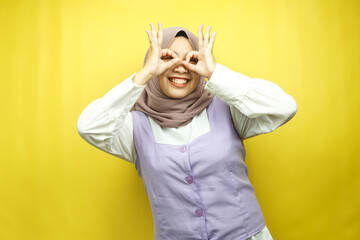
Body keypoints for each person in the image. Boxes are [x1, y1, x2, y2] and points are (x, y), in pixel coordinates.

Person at [77, 22, 297, 240]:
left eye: (191, 59)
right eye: (167, 58)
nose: (180, 67)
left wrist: (215, 72)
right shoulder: (134, 126)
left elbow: (285, 107)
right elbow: (88, 126)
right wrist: (145, 74)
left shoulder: (228, 109)